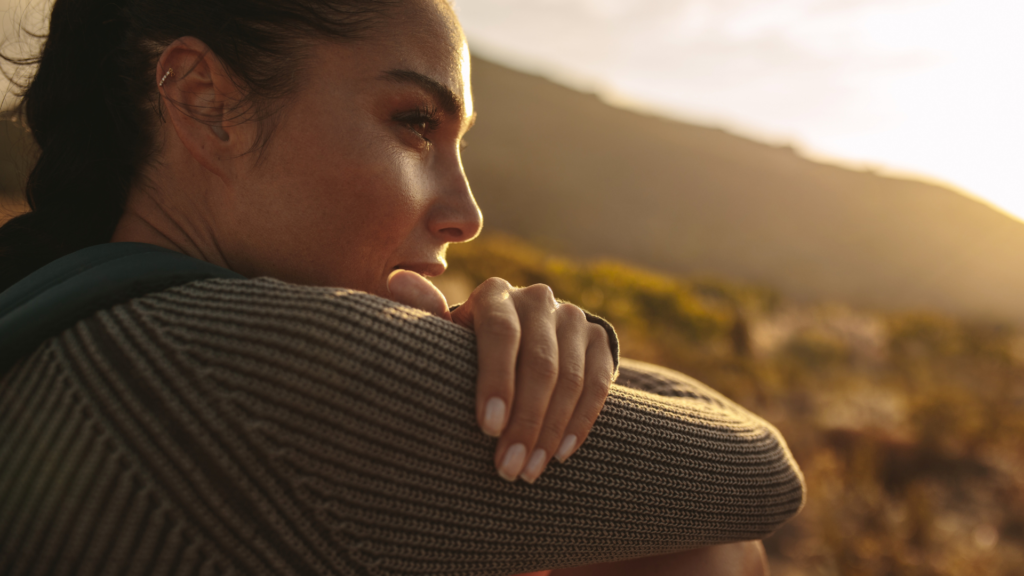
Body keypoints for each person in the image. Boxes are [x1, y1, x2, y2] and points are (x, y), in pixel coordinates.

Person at [0, 0, 805, 574]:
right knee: (703, 552)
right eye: (416, 123)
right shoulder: (239, 361)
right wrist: (559, 356)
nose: (466, 215)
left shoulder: (53, 301)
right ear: (206, 101)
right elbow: (760, 474)